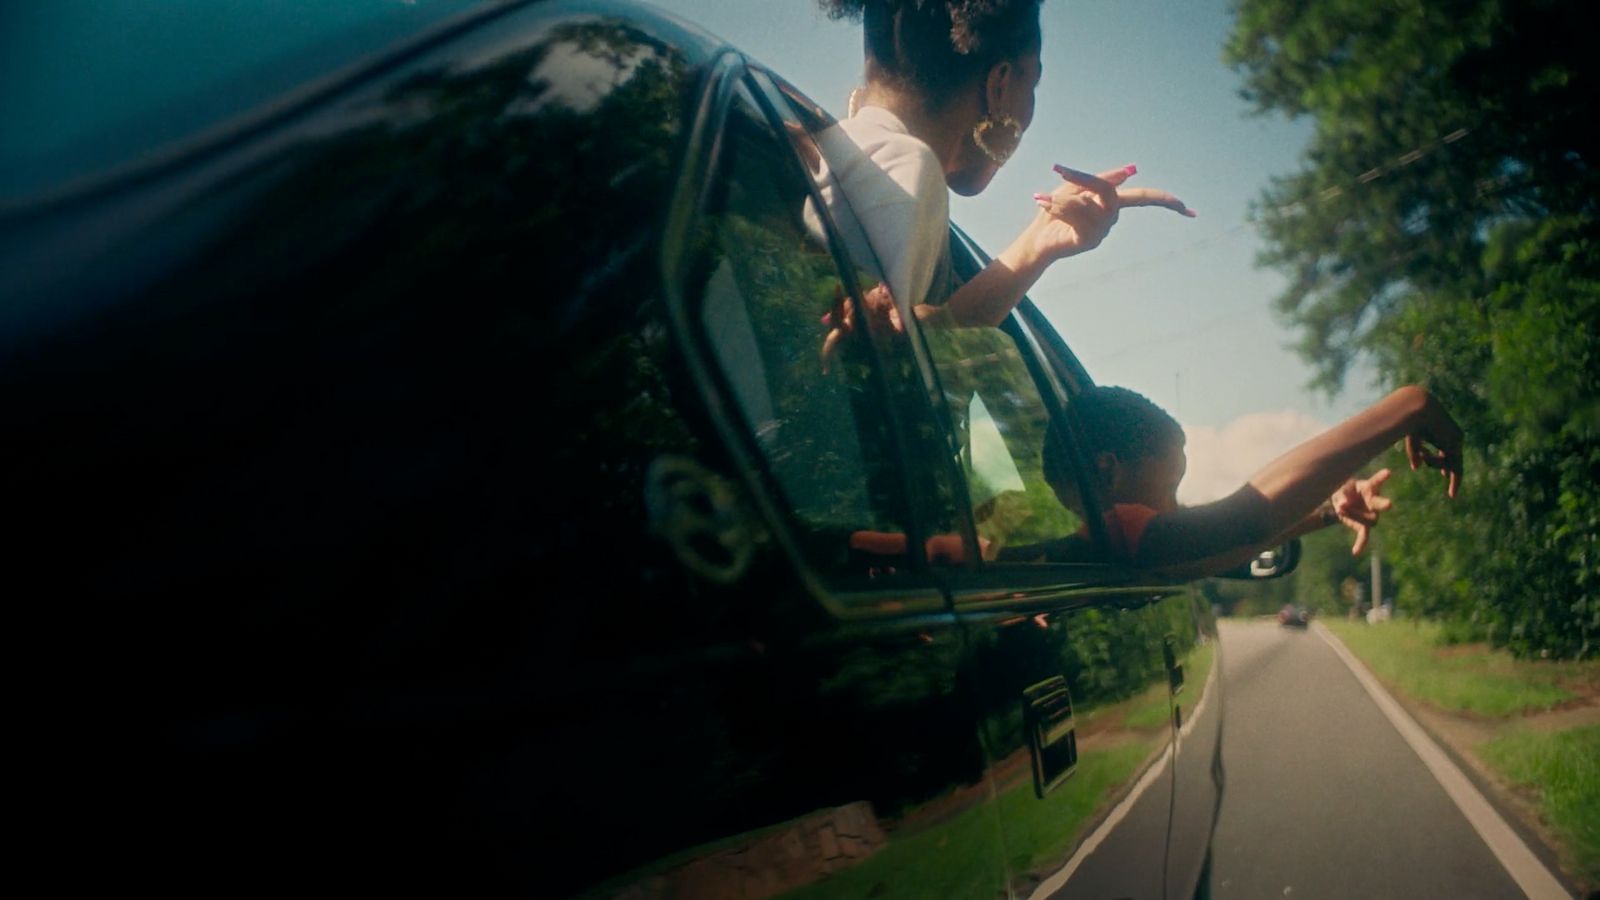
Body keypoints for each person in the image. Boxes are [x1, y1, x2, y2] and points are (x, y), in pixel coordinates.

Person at [811, 0, 1195, 335]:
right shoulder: (908, 171)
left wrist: (1039, 243)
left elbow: (908, 339)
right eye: (1032, 86)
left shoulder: (841, 155)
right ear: (1000, 84)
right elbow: (874, 361)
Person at [1035, 384, 1461, 577]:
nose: (1176, 508)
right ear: (1110, 470)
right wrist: (1406, 407)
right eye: (1169, 487)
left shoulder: (1089, 554)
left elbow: (1223, 546)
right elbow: (1243, 521)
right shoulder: (1117, 532)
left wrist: (1329, 511)